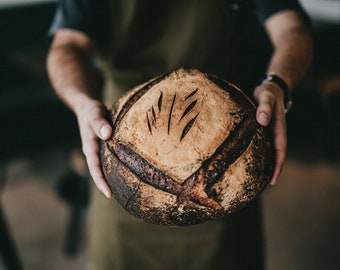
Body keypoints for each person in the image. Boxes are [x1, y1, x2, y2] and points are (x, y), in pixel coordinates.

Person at [46, 1, 313, 269]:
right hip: (123, 150)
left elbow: (292, 29)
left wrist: (277, 83)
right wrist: (82, 104)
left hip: (222, 135)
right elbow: (66, 45)